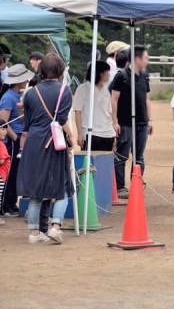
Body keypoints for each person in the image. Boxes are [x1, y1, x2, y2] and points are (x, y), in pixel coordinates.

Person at [18, 54, 75, 244]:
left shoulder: (31, 93)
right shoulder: (64, 91)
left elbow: (27, 123)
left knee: (35, 189)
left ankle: (34, 233)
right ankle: (56, 226)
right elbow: (62, 118)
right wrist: (71, 136)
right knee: (61, 187)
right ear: (59, 70)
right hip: (53, 141)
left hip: (34, 142)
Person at [110, 46, 153, 199]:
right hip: (125, 123)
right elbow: (114, 99)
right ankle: (121, 187)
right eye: (146, 58)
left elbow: (147, 99)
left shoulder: (145, 76)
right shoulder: (121, 75)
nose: (147, 61)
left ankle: (136, 183)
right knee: (122, 155)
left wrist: (150, 119)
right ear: (137, 59)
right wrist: (115, 121)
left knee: (139, 156)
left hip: (142, 123)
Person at [0, 63, 33, 215]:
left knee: (16, 172)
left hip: (19, 137)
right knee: (10, 172)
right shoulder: (8, 98)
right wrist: (14, 138)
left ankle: (12, 203)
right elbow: (3, 121)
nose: (27, 81)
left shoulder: (18, 95)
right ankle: (6, 204)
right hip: (13, 140)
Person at [72, 61, 115, 152]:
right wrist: (80, 133)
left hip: (107, 133)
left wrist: (113, 133)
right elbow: (77, 112)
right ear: (100, 74)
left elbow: (110, 112)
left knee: (105, 164)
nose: (109, 75)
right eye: (107, 72)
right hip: (90, 133)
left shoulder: (107, 90)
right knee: (90, 165)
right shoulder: (83, 89)